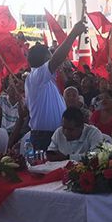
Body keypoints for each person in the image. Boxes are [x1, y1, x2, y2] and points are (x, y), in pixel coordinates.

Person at [25, 21, 87, 151]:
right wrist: (74, 33)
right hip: (44, 137)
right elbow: (57, 60)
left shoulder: (45, 82)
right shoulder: (36, 76)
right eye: (50, 56)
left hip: (58, 134)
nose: (54, 58)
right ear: (44, 61)